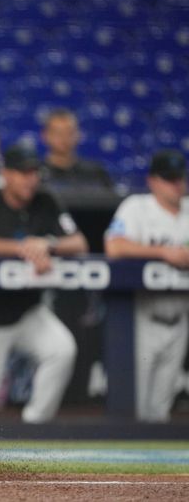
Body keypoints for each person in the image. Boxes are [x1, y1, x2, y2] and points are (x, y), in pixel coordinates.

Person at [0, 144, 86, 423]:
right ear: (7, 174)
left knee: (62, 350)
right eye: (22, 172)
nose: (29, 179)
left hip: (28, 311)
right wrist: (21, 246)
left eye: (33, 172)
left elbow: (79, 243)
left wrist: (48, 244)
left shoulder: (45, 200)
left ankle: (34, 426)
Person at [105, 149, 189, 422]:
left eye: (179, 178)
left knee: (160, 412)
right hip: (144, 317)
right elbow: (114, 246)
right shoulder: (137, 207)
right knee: (135, 409)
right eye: (169, 178)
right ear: (153, 181)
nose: (177, 184)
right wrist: (164, 253)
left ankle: (153, 467)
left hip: (180, 318)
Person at [40, 108, 113, 192]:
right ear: (45, 135)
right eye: (58, 133)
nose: (64, 138)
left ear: (78, 134)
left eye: (69, 132)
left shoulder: (96, 172)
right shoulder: (35, 174)